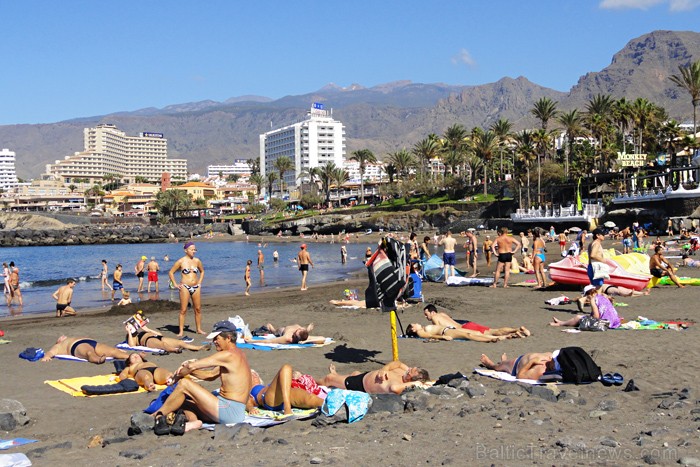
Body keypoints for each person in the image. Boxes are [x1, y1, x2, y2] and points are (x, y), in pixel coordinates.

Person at [153, 321, 252, 429]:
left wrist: (177, 377)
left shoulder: (227, 355)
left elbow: (192, 366)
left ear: (228, 338)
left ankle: (155, 416)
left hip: (229, 409)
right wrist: (189, 370)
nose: (214, 342)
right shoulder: (239, 354)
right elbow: (210, 375)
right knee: (181, 401)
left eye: (216, 338)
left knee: (184, 384)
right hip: (236, 412)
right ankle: (193, 423)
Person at [422, 304, 530, 340]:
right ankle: (516, 330)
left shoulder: (435, 318)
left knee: (490, 334)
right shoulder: (442, 314)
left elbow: (439, 330)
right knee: (493, 330)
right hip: (467, 324)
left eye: (426, 314)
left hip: (465, 329)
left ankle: (514, 333)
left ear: (432, 312)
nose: (426, 316)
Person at [248, 365, 324, 415]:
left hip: (284, 394)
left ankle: (328, 405)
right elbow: (247, 402)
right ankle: (287, 408)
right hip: (270, 399)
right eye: (250, 375)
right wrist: (251, 408)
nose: (254, 376)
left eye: (255, 374)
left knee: (309, 398)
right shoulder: (250, 391)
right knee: (286, 368)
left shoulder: (266, 386)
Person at [317, 361, 429, 395]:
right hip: (364, 376)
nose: (408, 369)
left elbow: (394, 388)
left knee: (329, 379)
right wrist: (384, 369)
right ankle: (337, 376)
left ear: (411, 381)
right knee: (355, 373)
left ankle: (309, 381)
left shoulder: (400, 385)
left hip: (360, 385)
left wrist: (418, 384)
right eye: (411, 368)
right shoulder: (404, 372)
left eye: (410, 372)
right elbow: (397, 363)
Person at [169, 241, 206, 337]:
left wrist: (200, 282)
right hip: (185, 286)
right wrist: (175, 284)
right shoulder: (181, 261)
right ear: (186, 250)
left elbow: (202, 271)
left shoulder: (197, 261)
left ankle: (199, 329)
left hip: (196, 287)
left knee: (198, 309)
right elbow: (171, 272)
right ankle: (181, 331)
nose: (194, 251)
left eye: (195, 249)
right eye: (192, 249)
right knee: (183, 310)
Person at [550, 284, 622, 329]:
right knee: (583, 317)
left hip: (607, 323)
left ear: (588, 294)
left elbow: (596, 316)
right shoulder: (603, 296)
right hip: (616, 321)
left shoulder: (593, 299)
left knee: (578, 317)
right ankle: (561, 322)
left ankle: (561, 323)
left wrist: (591, 304)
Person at [125, 321, 209, 352]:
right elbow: (132, 345)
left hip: (156, 336)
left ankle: (198, 347)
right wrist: (129, 332)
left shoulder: (141, 331)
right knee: (163, 345)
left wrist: (148, 330)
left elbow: (160, 334)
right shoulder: (131, 337)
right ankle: (174, 350)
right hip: (148, 340)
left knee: (180, 342)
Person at [41, 335, 130, 363]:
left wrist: (116, 350)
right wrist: (47, 356)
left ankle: (129, 357)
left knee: (113, 351)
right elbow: (50, 353)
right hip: (76, 345)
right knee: (89, 352)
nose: (62, 336)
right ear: (58, 341)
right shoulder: (59, 346)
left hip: (92, 342)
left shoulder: (72, 337)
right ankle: (98, 360)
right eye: (60, 337)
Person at [480, 351, 558, 380]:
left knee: (498, 367)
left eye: (554, 359)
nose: (551, 358)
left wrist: (531, 362)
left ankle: (490, 364)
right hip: (523, 359)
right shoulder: (552, 356)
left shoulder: (540, 370)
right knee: (504, 363)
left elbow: (520, 376)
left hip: (516, 365)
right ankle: (504, 362)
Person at [405, 323, 513, 343]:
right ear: (413, 330)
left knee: (476, 333)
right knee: (469, 335)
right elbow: (430, 335)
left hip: (450, 329)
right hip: (446, 332)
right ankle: (490, 339)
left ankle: (503, 337)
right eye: (414, 324)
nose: (416, 323)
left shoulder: (423, 327)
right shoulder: (420, 332)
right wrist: (443, 338)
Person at [575, 283, 648, 312]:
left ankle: (643, 293)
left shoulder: (601, 295)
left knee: (625, 292)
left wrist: (641, 294)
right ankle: (642, 293)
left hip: (606, 288)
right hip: (606, 287)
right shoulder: (601, 294)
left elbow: (628, 294)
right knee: (625, 292)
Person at [247, 323, 326, 345]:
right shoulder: (302, 331)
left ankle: (269, 327)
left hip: (279, 332)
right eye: (297, 330)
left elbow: (270, 341)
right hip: (284, 329)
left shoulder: (288, 338)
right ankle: (269, 327)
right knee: (305, 330)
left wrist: (252, 341)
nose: (294, 332)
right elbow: (323, 338)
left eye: (295, 335)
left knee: (272, 329)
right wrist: (307, 330)